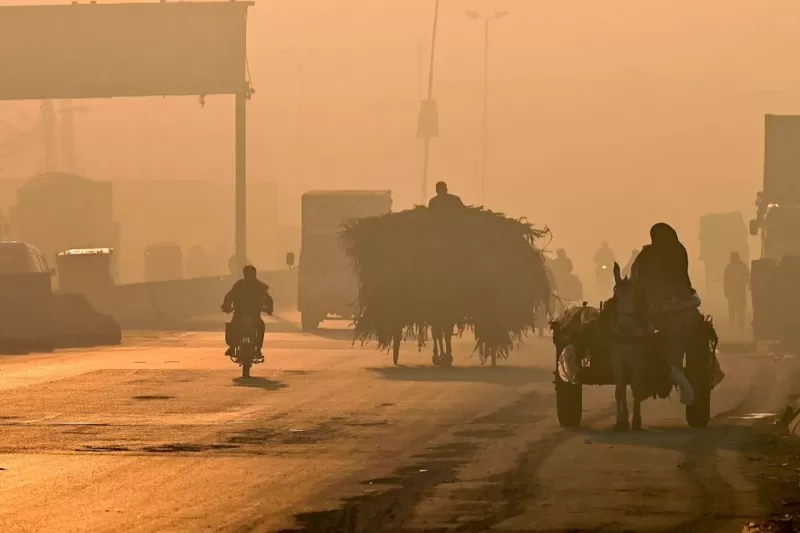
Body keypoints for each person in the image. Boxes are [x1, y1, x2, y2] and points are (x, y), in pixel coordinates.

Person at [631, 222, 698, 405]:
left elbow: (680, 277)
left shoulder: (677, 252)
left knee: (684, 324)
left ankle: (672, 363)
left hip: (674, 301)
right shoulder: (646, 254)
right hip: (647, 303)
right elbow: (637, 277)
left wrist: (671, 296)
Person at [222, 265, 274, 356]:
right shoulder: (258, 286)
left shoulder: (242, 285)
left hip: (245, 314)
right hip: (246, 314)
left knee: (234, 326)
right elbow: (229, 297)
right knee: (259, 327)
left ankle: (235, 347)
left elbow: (229, 296)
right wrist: (269, 309)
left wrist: (226, 307)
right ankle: (256, 349)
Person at [723, 251, 750, 332]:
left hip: (737, 293)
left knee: (739, 311)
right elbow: (726, 280)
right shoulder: (740, 266)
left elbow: (747, 278)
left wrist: (726, 291)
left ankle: (739, 327)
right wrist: (726, 291)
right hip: (735, 293)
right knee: (734, 311)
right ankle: (735, 327)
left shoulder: (735, 267)